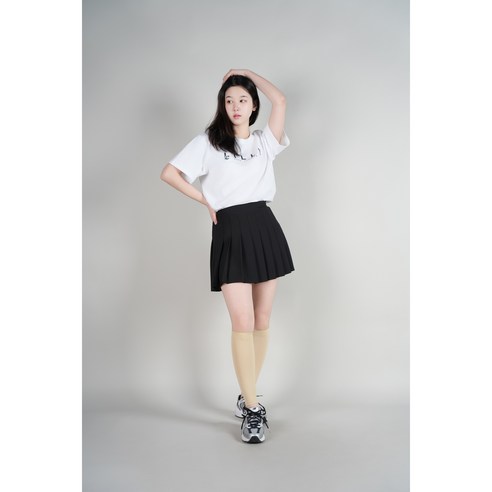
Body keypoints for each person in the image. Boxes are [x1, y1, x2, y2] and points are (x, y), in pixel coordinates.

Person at [160, 69, 295, 443]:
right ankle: (252, 409)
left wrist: (246, 73)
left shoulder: (265, 142)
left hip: (264, 227)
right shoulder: (208, 142)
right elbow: (170, 173)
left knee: (262, 319)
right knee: (242, 319)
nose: (235, 106)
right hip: (230, 231)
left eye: (243, 99)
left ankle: (246, 394)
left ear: (253, 106)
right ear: (223, 105)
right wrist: (205, 200)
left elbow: (281, 100)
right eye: (229, 100)